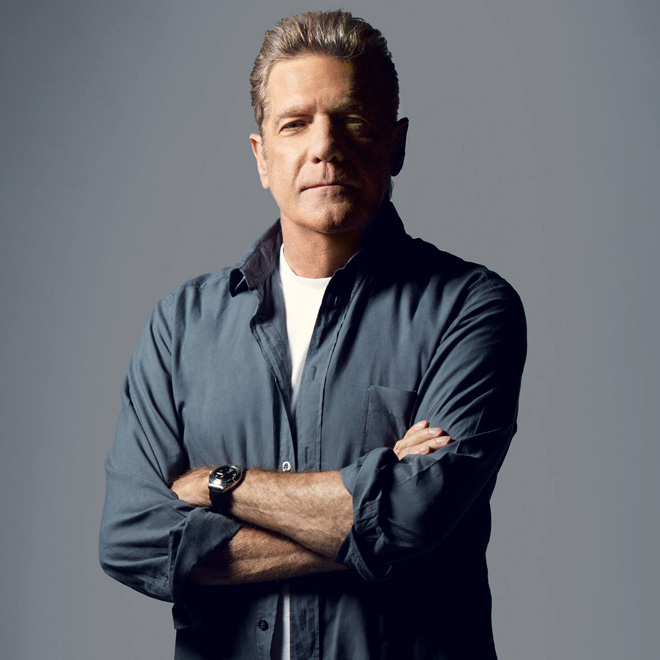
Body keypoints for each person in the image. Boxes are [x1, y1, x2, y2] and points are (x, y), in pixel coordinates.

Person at [99, 10, 527, 660]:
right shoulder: (181, 325)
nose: (324, 145)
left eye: (351, 119)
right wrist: (374, 517)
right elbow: (131, 538)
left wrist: (220, 486)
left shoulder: (469, 307)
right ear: (261, 157)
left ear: (395, 143)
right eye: (295, 123)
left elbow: (418, 517)